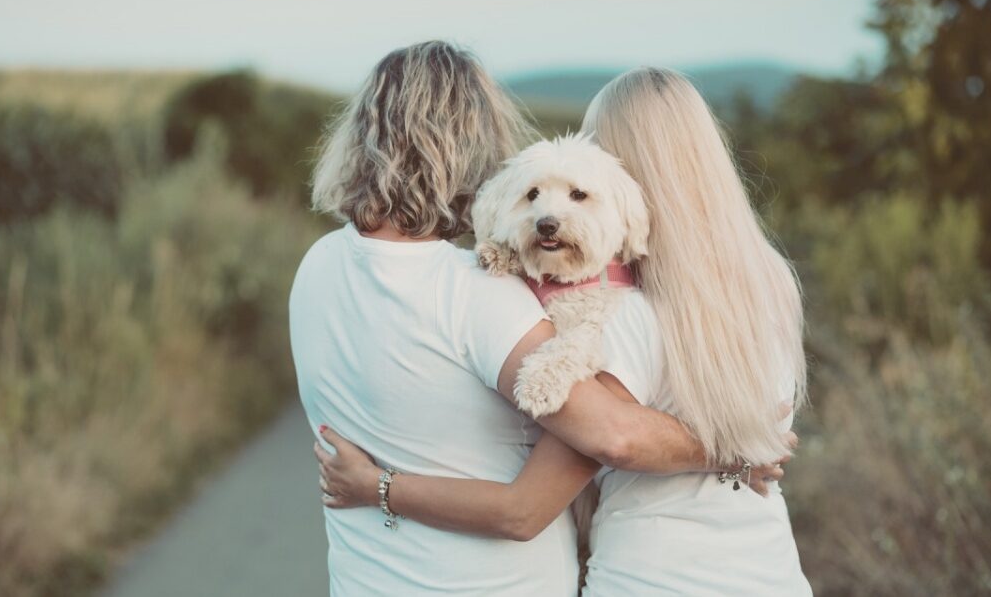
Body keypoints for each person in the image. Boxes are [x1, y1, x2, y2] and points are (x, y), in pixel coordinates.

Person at [316, 66, 811, 595]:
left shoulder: (621, 318)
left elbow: (533, 501)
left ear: (622, 179)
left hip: (650, 576)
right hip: (770, 569)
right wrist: (745, 446)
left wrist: (379, 487)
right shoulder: (772, 280)